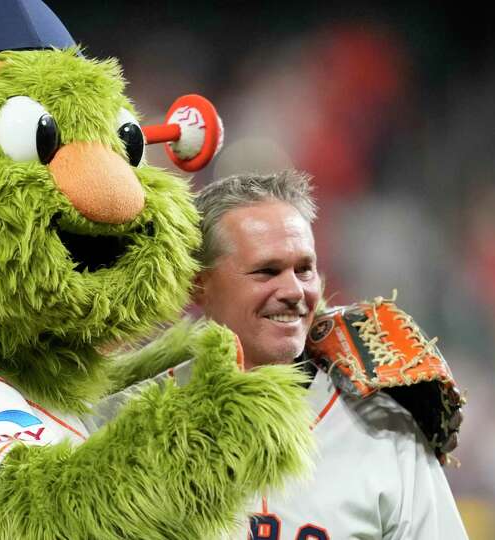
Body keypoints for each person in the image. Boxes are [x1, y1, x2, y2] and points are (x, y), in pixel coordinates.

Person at [191, 170, 469, 540]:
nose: (293, 290)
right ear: (199, 284)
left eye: (304, 269)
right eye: (267, 271)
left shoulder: (383, 430)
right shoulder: (137, 422)